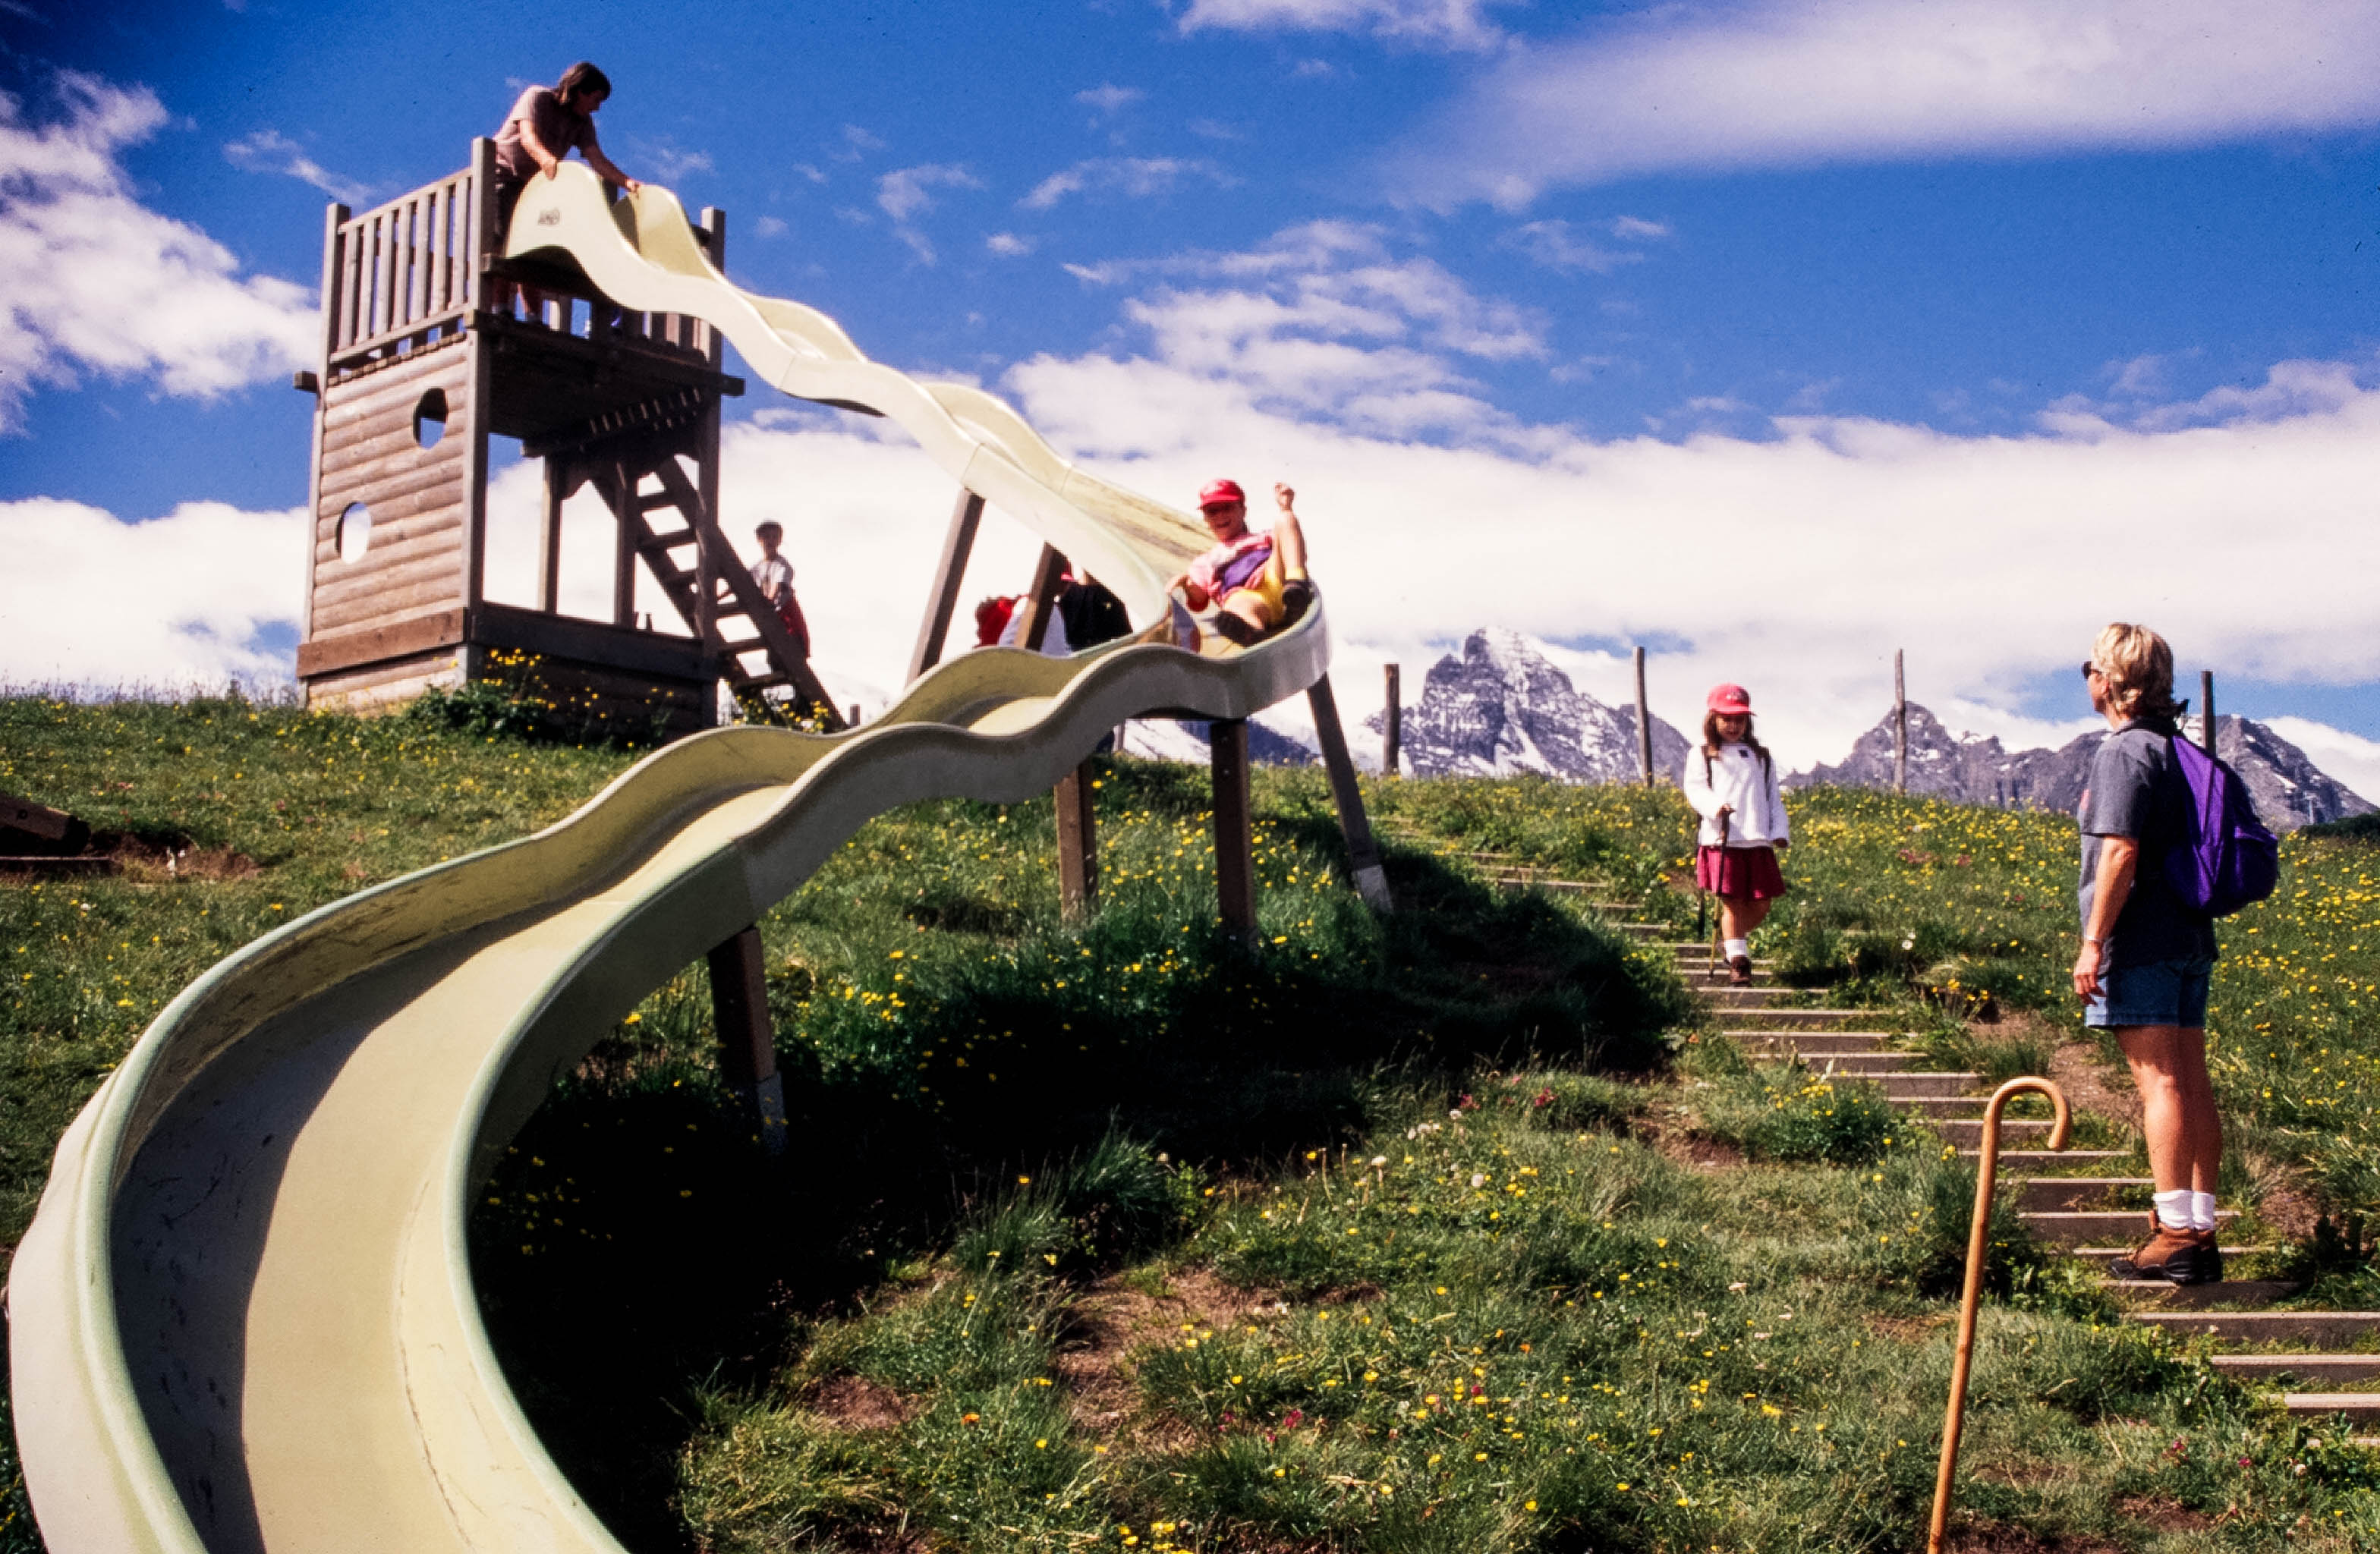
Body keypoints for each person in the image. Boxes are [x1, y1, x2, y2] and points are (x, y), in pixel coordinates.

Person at [2072, 623, 2224, 1285]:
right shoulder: (2181, 751)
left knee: (2158, 1083)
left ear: (2106, 681)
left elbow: (2120, 851)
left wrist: (2092, 941)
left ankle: (2170, 1234)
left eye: (2089, 668)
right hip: (2191, 935)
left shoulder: (2124, 752)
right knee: (2191, 1079)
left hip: (2141, 940)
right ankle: (2202, 1229)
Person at [488, 63, 642, 319]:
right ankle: (500, 309)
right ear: (579, 90)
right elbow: (528, 137)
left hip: (535, 185)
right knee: (504, 243)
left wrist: (628, 183)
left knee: (534, 247)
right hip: (504, 176)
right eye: (595, 99)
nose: (597, 106)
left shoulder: (582, 122)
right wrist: (548, 160)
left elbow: (597, 159)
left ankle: (533, 317)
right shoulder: (537, 97)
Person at [1682, 684, 1789, 986]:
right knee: (1733, 903)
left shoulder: (1760, 756)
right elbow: (1695, 789)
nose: (1733, 726)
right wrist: (1716, 807)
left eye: (1739, 720)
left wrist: (1778, 831)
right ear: (1713, 719)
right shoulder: (1702, 754)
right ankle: (1739, 964)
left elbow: (1772, 798)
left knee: (1762, 903)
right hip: (1723, 839)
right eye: (1727, 719)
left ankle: (1731, 942)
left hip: (1756, 838)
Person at [1166, 479, 1313, 648]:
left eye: (1227, 508)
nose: (1220, 515)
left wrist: (1285, 508)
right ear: (1206, 518)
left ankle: (1297, 587)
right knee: (1236, 611)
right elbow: (1198, 597)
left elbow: (1294, 548)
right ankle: (1255, 639)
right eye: (1213, 512)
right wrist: (1184, 582)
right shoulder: (1204, 562)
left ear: (1243, 510)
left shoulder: (1263, 537)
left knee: (1285, 519)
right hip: (1246, 597)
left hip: (1276, 578)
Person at [750, 521, 808, 659]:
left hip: (786, 611)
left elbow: (778, 584)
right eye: (766, 537)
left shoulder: (782, 564)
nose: (771, 541)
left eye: (775, 537)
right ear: (759, 540)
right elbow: (742, 579)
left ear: (780, 540)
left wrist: (769, 600)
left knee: (794, 645)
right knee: (773, 655)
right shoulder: (757, 567)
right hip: (771, 614)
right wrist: (718, 597)